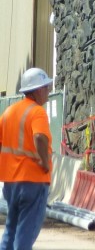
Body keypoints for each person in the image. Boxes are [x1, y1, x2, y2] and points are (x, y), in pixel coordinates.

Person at [0, 67, 53, 250]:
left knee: (11, 230)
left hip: (10, 182)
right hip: (33, 179)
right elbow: (39, 137)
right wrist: (45, 162)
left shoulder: (8, 112)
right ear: (38, 90)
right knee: (25, 234)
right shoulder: (37, 112)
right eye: (46, 87)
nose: (48, 91)